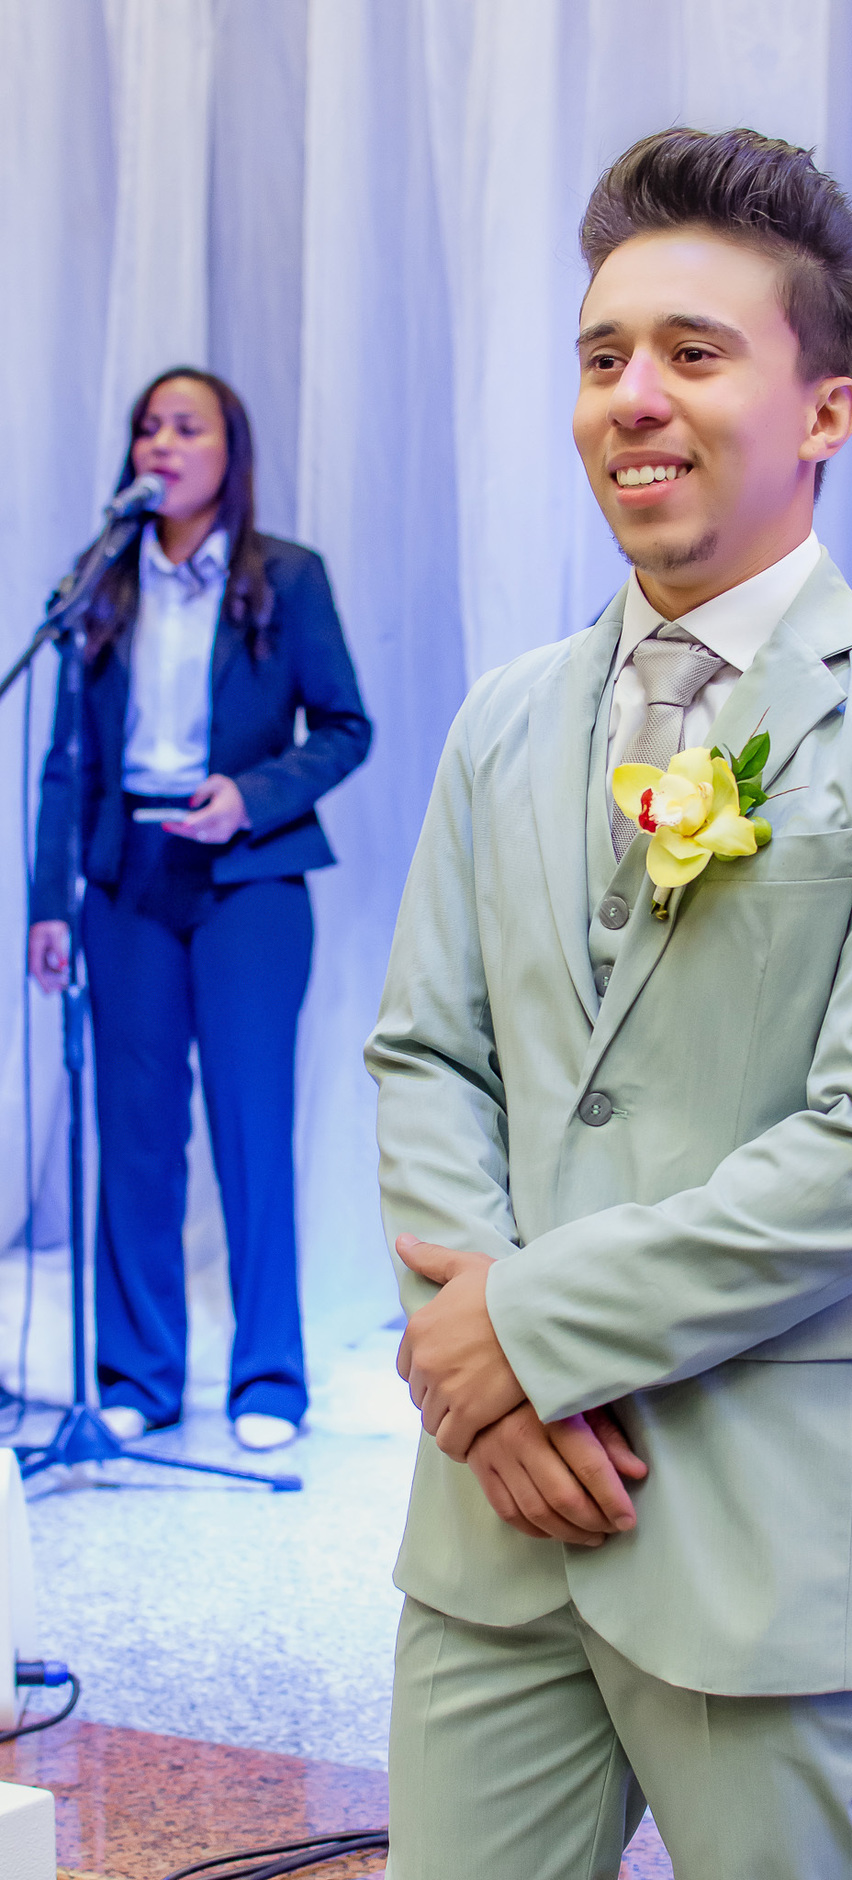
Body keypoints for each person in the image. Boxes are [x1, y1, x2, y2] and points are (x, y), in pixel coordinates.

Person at [366, 128, 852, 1880]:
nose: (633, 400)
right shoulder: (506, 718)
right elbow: (429, 1051)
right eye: (602, 359)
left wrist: (527, 1337)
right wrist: (493, 1399)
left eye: (693, 353)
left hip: (772, 1539)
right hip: (494, 1532)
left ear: (825, 413)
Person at [29, 367, 371, 1452]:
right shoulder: (100, 583)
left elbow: (344, 728)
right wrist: (48, 901)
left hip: (250, 879)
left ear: (232, 452)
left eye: (187, 427)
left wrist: (249, 798)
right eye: (147, 428)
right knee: (134, 1132)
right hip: (125, 877)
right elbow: (63, 761)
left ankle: (270, 1375)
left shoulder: (288, 576)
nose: (160, 445)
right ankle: (138, 1371)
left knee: (249, 1121)